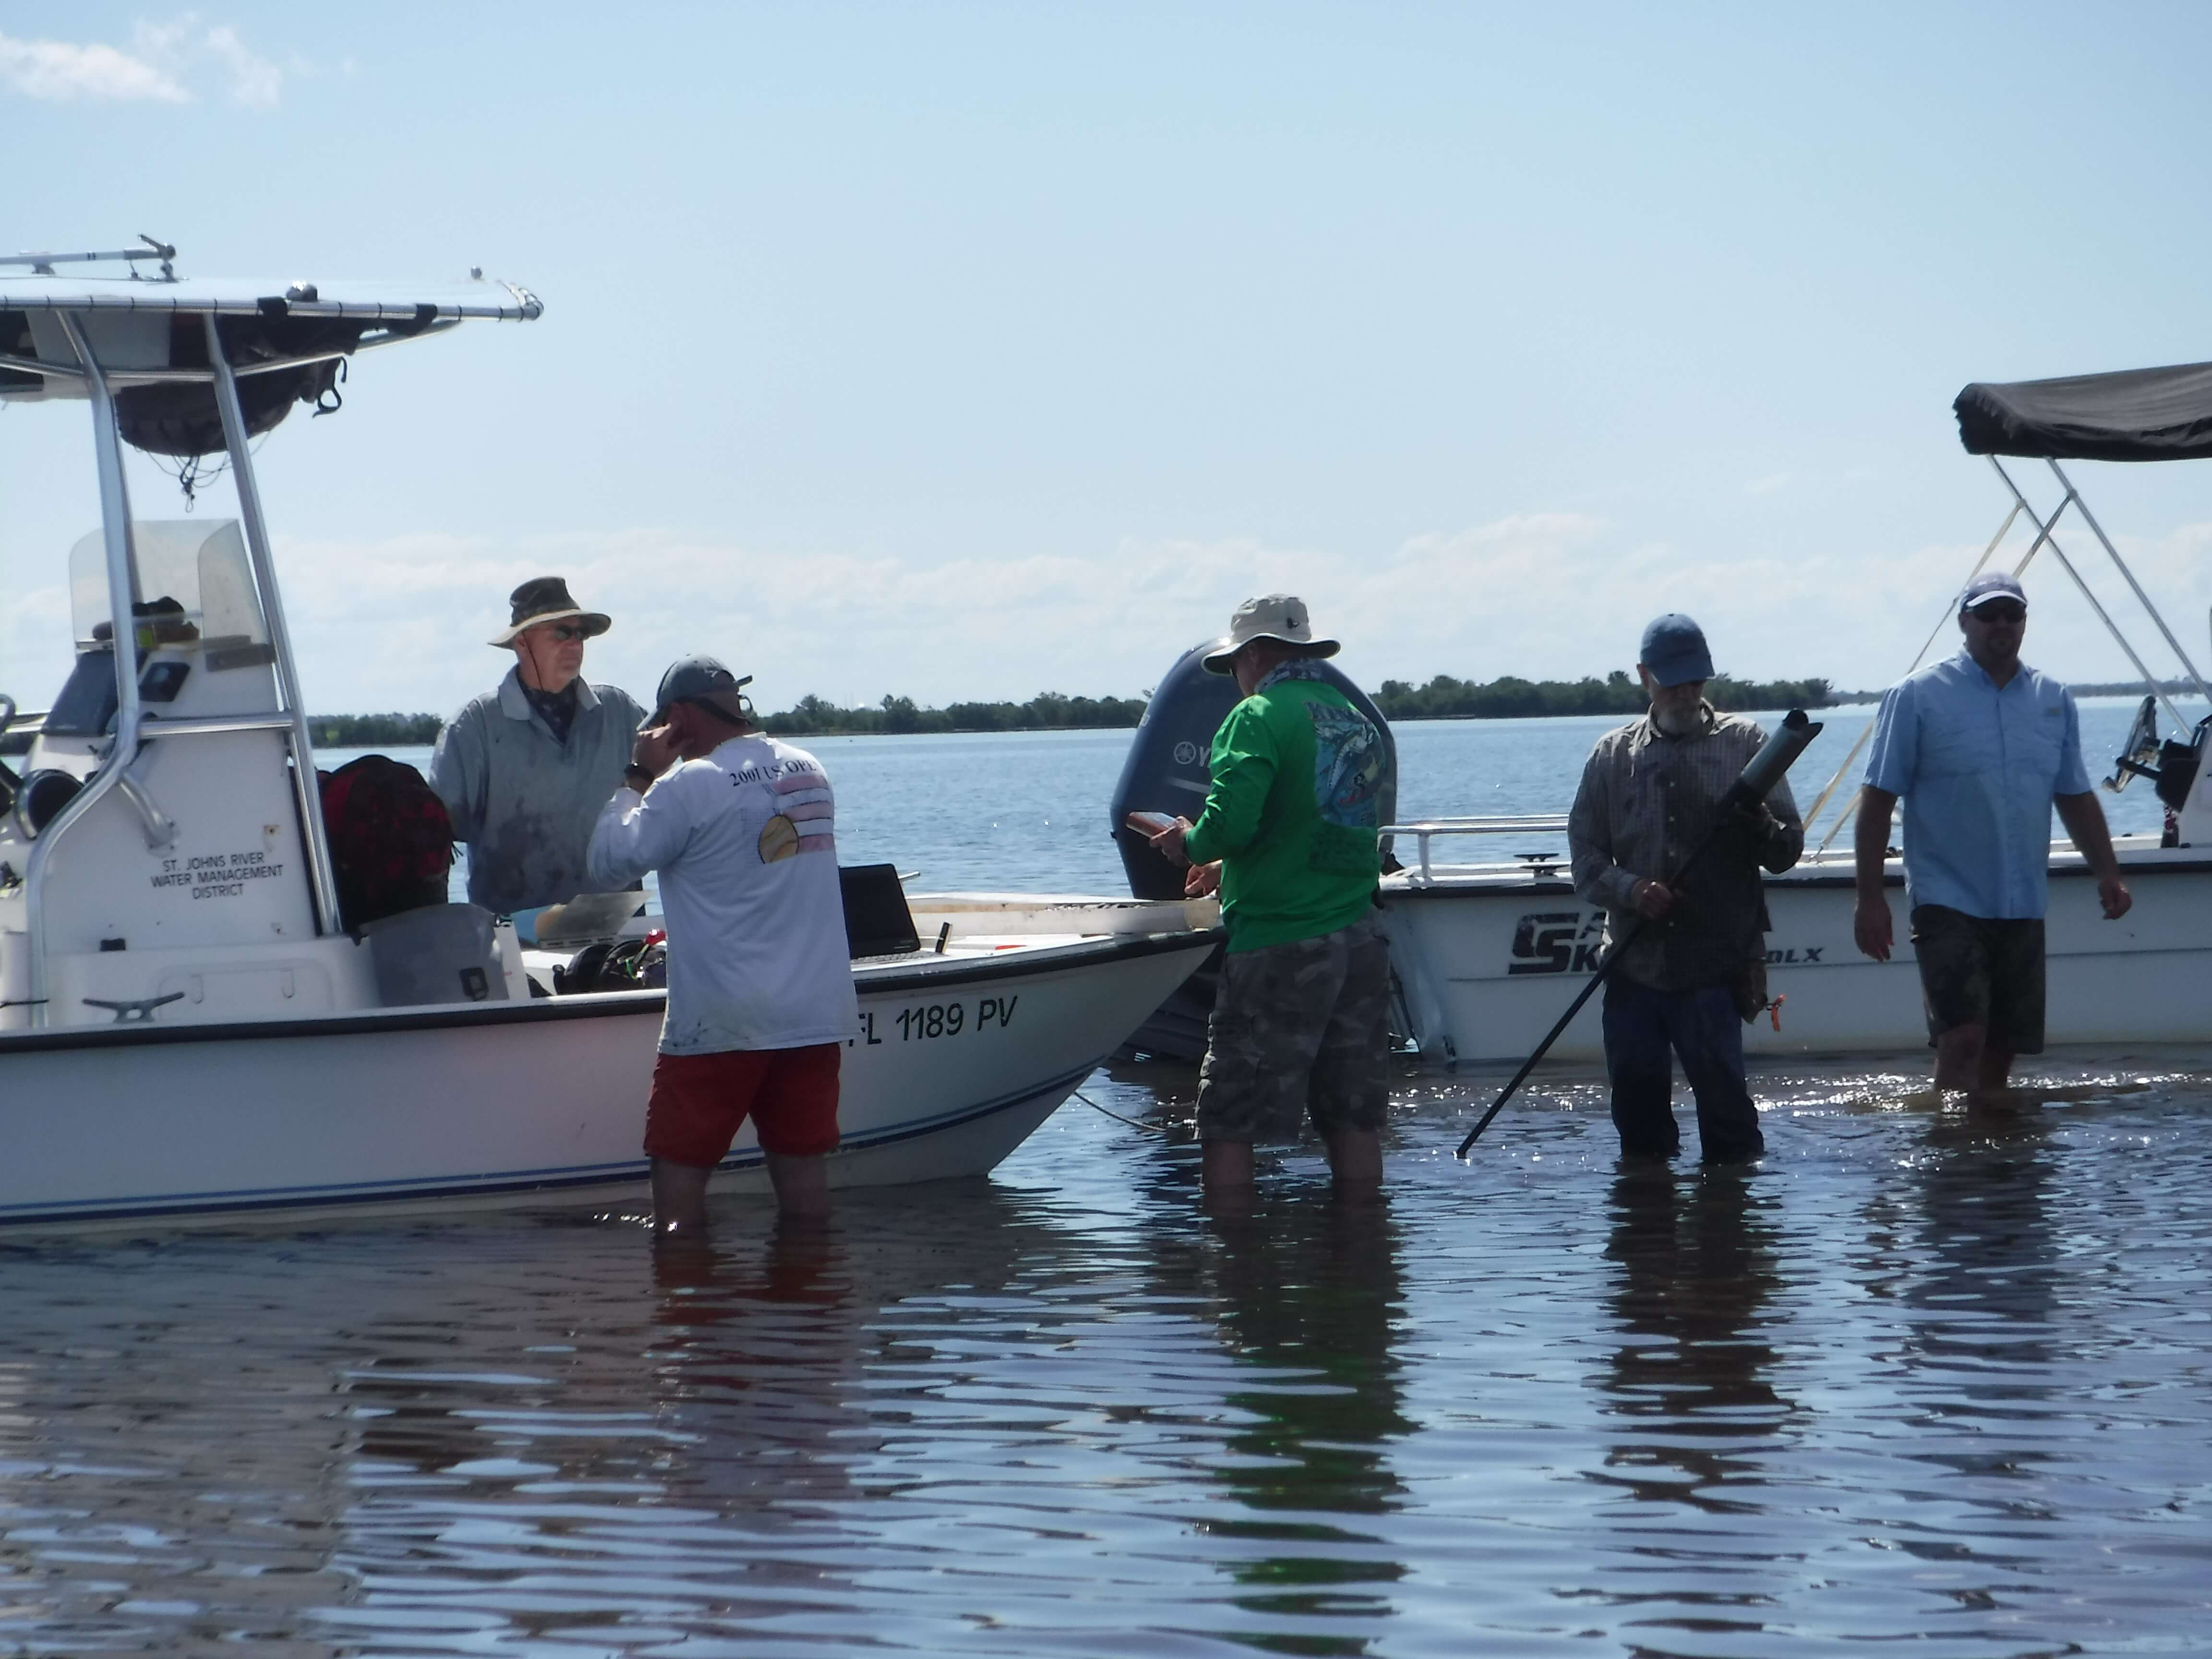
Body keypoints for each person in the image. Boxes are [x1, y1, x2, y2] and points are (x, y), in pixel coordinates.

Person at [585, 655, 858, 1234]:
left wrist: (640, 774)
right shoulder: (808, 768)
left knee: (679, 1193)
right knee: (806, 1189)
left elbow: (610, 863)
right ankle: (811, 1308)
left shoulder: (690, 784)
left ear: (678, 719)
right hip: (813, 1012)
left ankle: (685, 1305)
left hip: (722, 1022)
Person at [1145, 595, 1391, 1202]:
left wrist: (1192, 844)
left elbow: (1229, 824)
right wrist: (1231, 869)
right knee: (1352, 1116)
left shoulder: (1256, 718)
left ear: (1253, 655)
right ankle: (1365, 1258)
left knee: (1229, 1120)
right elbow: (1320, 833)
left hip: (1281, 945)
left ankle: (1233, 1273)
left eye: (1234, 665)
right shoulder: (1354, 720)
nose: (1235, 678)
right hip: (1359, 942)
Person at [1852, 571, 2130, 1093]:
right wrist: (1869, 899)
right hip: (1947, 898)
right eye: (1988, 614)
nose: (2001, 624)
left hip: (2022, 900)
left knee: (2002, 1051)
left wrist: (2109, 874)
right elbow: (1877, 800)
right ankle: (1950, 1163)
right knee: (1963, 1039)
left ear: (2024, 622)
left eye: (2013, 613)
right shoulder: (1916, 695)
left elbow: (2074, 794)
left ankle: (1994, 1163)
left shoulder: (2054, 698)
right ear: (1964, 622)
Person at [1568, 613, 1804, 1163]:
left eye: (1695, 681)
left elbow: (1786, 853)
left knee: (1729, 1123)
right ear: (1644, 676)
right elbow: (1586, 861)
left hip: (1717, 967)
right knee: (1639, 1123)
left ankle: (1733, 1233)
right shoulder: (1611, 756)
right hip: (1634, 968)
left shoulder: (1748, 744)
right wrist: (1632, 891)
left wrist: (1760, 827)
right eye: (1673, 681)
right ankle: (1651, 1232)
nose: (1685, 693)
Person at [429, 577, 649, 917]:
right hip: (515, 941)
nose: (575, 644)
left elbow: (667, 808)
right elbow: (436, 839)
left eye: (581, 634)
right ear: (522, 643)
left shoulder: (620, 713)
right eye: (562, 632)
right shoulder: (475, 727)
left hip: (617, 933)